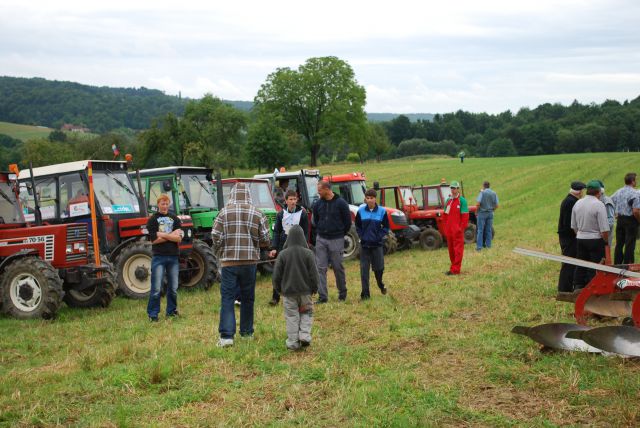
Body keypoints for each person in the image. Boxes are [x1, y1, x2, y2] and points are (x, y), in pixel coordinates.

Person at [211, 183, 271, 348]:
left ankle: (226, 337)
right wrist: (256, 244)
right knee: (248, 298)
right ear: (248, 195)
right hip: (250, 262)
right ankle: (246, 333)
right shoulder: (257, 213)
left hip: (229, 263)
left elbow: (215, 235)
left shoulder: (224, 212)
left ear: (232, 195)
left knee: (228, 299)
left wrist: (223, 247)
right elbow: (266, 239)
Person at [272, 225, 318, 350]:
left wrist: (278, 289)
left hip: (288, 293)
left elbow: (276, 275)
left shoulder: (282, 254)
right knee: (306, 312)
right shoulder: (308, 253)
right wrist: (315, 288)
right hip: (305, 292)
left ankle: (293, 342)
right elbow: (314, 274)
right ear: (303, 238)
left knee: (292, 316)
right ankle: (304, 335)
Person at [312, 180, 352, 303]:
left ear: (327, 189)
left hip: (336, 239)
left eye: (319, 190)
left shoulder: (341, 203)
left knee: (337, 267)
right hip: (321, 240)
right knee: (320, 268)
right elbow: (315, 221)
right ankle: (323, 297)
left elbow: (347, 222)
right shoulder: (317, 204)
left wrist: (339, 234)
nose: (318, 193)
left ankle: (342, 294)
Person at [268, 189, 309, 306]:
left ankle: (300, 296)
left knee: (299, 270)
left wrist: (304, 245)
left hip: (297, 244)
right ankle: (275, 297)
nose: (293, 202)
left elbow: (306, 231)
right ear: (286, 201)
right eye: (290, 199)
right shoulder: (281, 214)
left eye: (294, 199)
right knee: (278, 270)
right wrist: (274, 247)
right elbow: (276, 231)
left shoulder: (303, 213)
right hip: (283, 244)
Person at [146, 194, 183, 322]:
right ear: (158, 205)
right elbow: (154, 240)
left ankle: (171, 311)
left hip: (173, 257)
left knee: (173, 288)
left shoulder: (175, 218)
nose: (165, 206)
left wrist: (162, 234)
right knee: (156, 288)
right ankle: (153, 314)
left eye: (167, 204)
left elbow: (179, 238)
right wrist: (171, 234)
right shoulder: (152, 220)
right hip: (159, 257)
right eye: (162, 203)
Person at [571, 180, 609, 290]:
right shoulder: (599, 205)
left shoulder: (578, 203)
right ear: (599, 192)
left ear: (587, 191)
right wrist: (605, 242)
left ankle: (578, 286)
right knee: (596, 265)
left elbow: (573, 226)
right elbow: (604, 229)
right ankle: (593, 288)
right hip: (595, 239)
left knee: (581, 263)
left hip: (580, 238)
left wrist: (580, 235)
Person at [355, 188, 389, 300]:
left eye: (372, 198)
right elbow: (358, 226)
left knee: (379, 269)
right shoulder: (360, 211)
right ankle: (365, 294)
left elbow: (386, 227)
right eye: (367, 198)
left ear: (375, 199)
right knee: (364, 271)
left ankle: (380, 284)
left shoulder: (382, 211)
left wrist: (378, 236)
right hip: (364, 246)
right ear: (365, 198)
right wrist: (362, 236)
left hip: (377, 245)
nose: (369, 200)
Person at [557, 181, 586, 292]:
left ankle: (567, 287)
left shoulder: (570, 200)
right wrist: (577, 235)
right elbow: (569, 223)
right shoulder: (571, 202)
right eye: (582, 190)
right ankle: (564, 288)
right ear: (579, 192)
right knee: (569, 262)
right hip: (568, 237)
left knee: (570, 262)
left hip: (566, 236)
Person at [611, 173, 640, 264]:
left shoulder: (619, 191)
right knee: (630, 244)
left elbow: (611, 200)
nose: (636, 181)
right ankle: (628, 265)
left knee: (619, 244)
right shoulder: (635, 193)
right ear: (632, 181)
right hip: (631, 220)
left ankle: (617, 264)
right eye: (636, 180)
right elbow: (636, 211)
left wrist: (615, 212)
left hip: (620, 220)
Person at [443, 181, 468, 275]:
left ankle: (456, 269)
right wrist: (445, 229)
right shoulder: (448, 201)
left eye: (454, 188)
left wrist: (460, 229)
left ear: (458, 189)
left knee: (458, 250)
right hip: (449, 231)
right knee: (451, 251)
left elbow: (465, 217)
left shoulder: (462, 201)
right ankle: (453, 267)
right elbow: (445, 216)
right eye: (451, 188)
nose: (453, 190)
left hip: (457, 231)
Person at [475, 181, 499, 251]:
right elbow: (497, 205)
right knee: (488, 230)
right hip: (490, 213)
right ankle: (488, 246)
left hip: (482, 213)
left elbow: (478, 203)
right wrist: (493, 210)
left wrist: (476, 211)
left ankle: (479, 247)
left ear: (483, 186)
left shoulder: (482, 193)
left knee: (480, 230)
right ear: (489, 186)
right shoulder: (494, 193)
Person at [597, 180, 615, 248]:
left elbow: (610, 220)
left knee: (605, 255)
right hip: (595, 236)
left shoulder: (607, 201)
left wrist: (601, 230)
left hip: (604, 235)